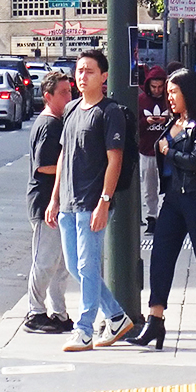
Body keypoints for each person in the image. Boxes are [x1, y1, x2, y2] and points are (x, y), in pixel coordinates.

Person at [45, 49, 133, 353]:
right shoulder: (70, 109)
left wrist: (104, 201)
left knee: (87, 265)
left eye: (89, 71)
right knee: (76, 267)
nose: (82, 77)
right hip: (67, 203)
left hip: (91, 202)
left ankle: (84, 329)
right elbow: (63, 154)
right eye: (79, 71)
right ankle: (116, 317)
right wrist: (54, 198)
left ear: (104, 76)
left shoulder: (110, 112)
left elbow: (115, 160)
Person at [130, 68, 196, 349]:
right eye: (167, 92)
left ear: (188, 93)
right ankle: (155, 320)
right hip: (174, 198)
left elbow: (195, 160)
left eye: (173, 92)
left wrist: (170, 152)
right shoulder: (173, 122)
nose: (169, 98)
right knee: (161, 256)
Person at [24, 70, 74, 334]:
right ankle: (35, 312)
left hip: (57, 202)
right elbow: (43, 165)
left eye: (70, 91)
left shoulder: (57, 122)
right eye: (64, 93)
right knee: (45, 260)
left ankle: (58, 312)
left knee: (60, 264)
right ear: (47, 97)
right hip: (45, 202)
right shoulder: (50, 124)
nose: (70, 96)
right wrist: (72, 167)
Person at [137, 66, 169, 234]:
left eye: (160, 87)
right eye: (153, 87)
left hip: (167, 152)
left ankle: (166, 217)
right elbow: (135, 126)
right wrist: (146, 122)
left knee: (169, 186)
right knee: (149, 188)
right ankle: (151, 218)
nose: (157, 90)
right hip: (147, 150)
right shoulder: (142, 100)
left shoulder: (170, 99)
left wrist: (166, 121)